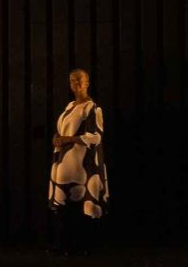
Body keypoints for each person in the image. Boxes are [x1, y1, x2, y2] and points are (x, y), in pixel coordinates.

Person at [48, 68, 109, 256]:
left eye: (79, 80)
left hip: (81, 163)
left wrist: (68, 139)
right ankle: (62, 245)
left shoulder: (92, 108)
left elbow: (95, 137)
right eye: (72, 80)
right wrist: (57, 137)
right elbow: (62, 130)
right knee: (63, 204)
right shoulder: (69, 106)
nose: (75, 83)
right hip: (64, 162)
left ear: (87, 83)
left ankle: (80, 246)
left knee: (82, 204)